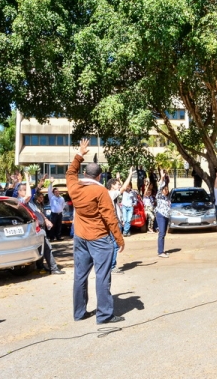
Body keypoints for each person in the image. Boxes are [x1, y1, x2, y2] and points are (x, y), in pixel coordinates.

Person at [68, 138, 125, 324]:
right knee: (102, 275)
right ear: (99, 177)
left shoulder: (74, 186)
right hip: (99, 238)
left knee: (80, 275)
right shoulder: (100, 192)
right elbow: (110, 218)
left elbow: (70, 172)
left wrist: (80, 154)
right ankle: (104, 315)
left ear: (85, 173)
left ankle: (79, 313)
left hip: (80, 236)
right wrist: (119, 239)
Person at [28, 192, 65, 274]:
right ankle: (52, 268)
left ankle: (41, 266)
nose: (42, 199)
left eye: (42, 197)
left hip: (41, 227)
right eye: (40, 197)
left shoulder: (40, 204)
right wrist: (45, 219)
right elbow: (38, 212)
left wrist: (45, 220)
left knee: (43, 247)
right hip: (38, 228)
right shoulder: (32, 203)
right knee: (45, 247)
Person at [107, 167, 133, 274]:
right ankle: (112, 267)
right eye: (117, 184)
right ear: (112, 186)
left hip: (112, 221)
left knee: (111, 244)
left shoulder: (107, 193)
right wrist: (130, 174)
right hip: (112, 222)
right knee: (115, 244)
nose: (119, 186)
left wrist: (118, 178)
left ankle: (109, 266)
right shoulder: (112, 194)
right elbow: (123, 188)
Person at [155, 172, 171, 258]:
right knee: (161, 233)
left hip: (166, 216)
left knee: (164, 233)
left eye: (167, 189)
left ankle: (162, 250)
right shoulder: (159, 195)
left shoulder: (167, 198)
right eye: (165, 189)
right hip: (160, 215)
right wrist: (162, 177)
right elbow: (160, 186)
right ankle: (160, 252)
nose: (166, 190)